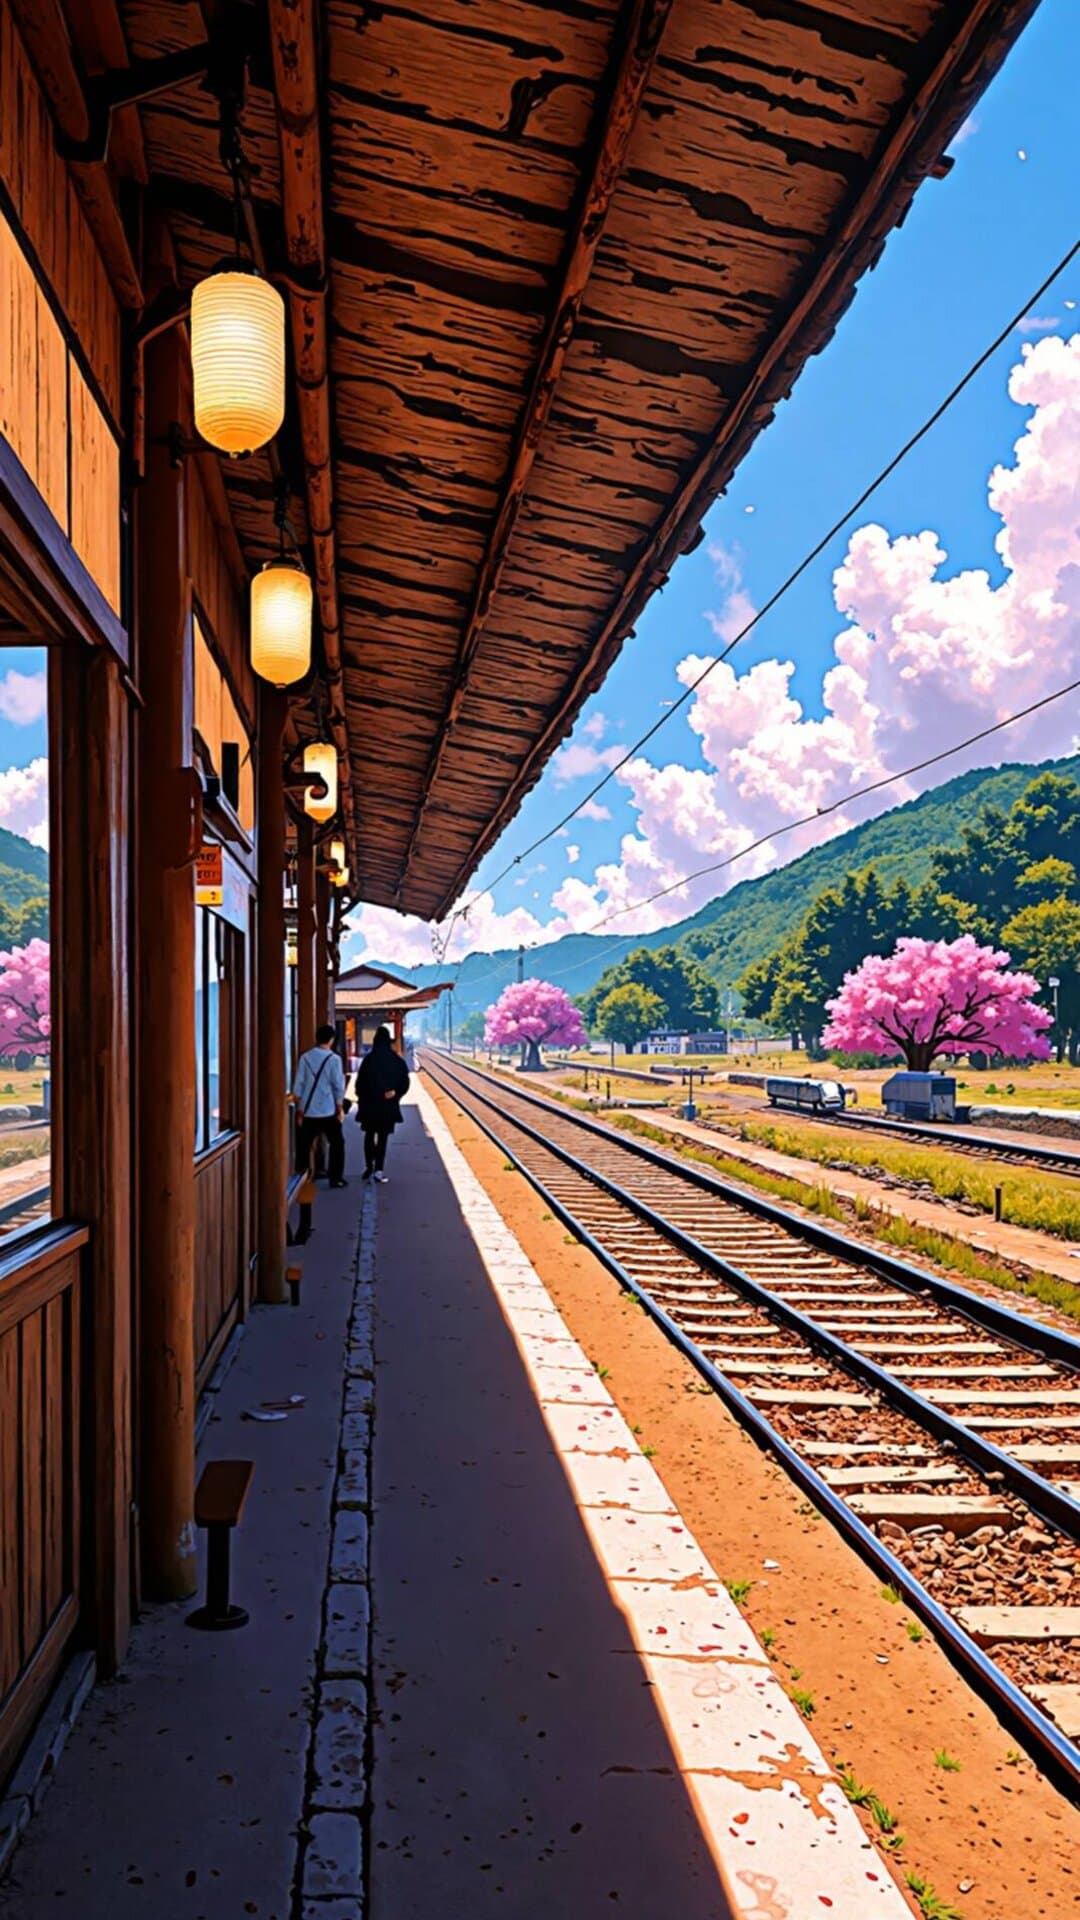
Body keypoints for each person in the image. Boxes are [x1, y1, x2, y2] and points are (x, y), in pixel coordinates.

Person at [293, 1023, 348, 1188]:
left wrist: (300, 1109)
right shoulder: (334, 1059)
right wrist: (340, 1106)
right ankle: (335, 1177)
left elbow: (298, 1085)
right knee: (337, 1143)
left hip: (308, 1110)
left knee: (304, 1145)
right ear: (331, 1040)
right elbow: (338, 1085)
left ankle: (301, 1178)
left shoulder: (305, 1057)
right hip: (328, 1110)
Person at [355, 1025, 410, 1183]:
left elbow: (359, 1085)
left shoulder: (368, 1060)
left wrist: (366, 1096)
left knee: (369, 1135)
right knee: (383, 1138)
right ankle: (379, 1169)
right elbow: (405, 1082)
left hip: (369, 1106)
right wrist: (395, 1093)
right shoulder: (397, 1061)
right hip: (388, 1106)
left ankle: (368, 1167)